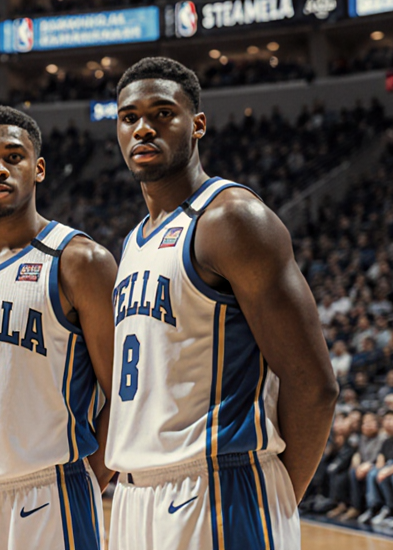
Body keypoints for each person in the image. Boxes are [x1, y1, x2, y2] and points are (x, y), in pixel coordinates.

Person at [106, 57, 338, 548]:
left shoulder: (232, 219)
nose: (143, 128)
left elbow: (314, 384)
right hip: (135, 496)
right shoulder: (134, 241)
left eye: (162, 114)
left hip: (220, 490)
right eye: (129, 118)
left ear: (197, 124)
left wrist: (274, 500)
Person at [0, 106, 116, 549]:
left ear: (39, 169)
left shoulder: (80, 261)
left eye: (13, 157)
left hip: (48, 492)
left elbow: (124, 394)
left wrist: (86, 480)